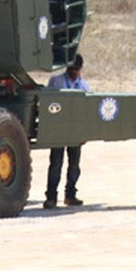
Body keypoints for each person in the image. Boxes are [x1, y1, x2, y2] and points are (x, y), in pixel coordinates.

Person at [44, 53, 90, 209]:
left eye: (75, 70)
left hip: (75, 132)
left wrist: (84, 134)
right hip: (58, 131)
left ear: (80, 69)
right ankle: (51, 197)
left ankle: (70, 195)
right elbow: (48, 106)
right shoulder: (56, 81)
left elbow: (87, 112)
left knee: (74, 166)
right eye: (70, 69)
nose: (72, 72)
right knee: (55, 164)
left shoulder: (84, 86)